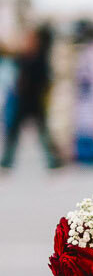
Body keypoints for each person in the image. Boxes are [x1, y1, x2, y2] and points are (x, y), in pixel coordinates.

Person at [1, 25, 60, 170]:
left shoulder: (39, 60)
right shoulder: (22, 59)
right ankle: (6, 162)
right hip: (23, 101)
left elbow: (45, 80)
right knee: (14, 133)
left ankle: (53, 161)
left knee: (43, 133)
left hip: (34, 101)